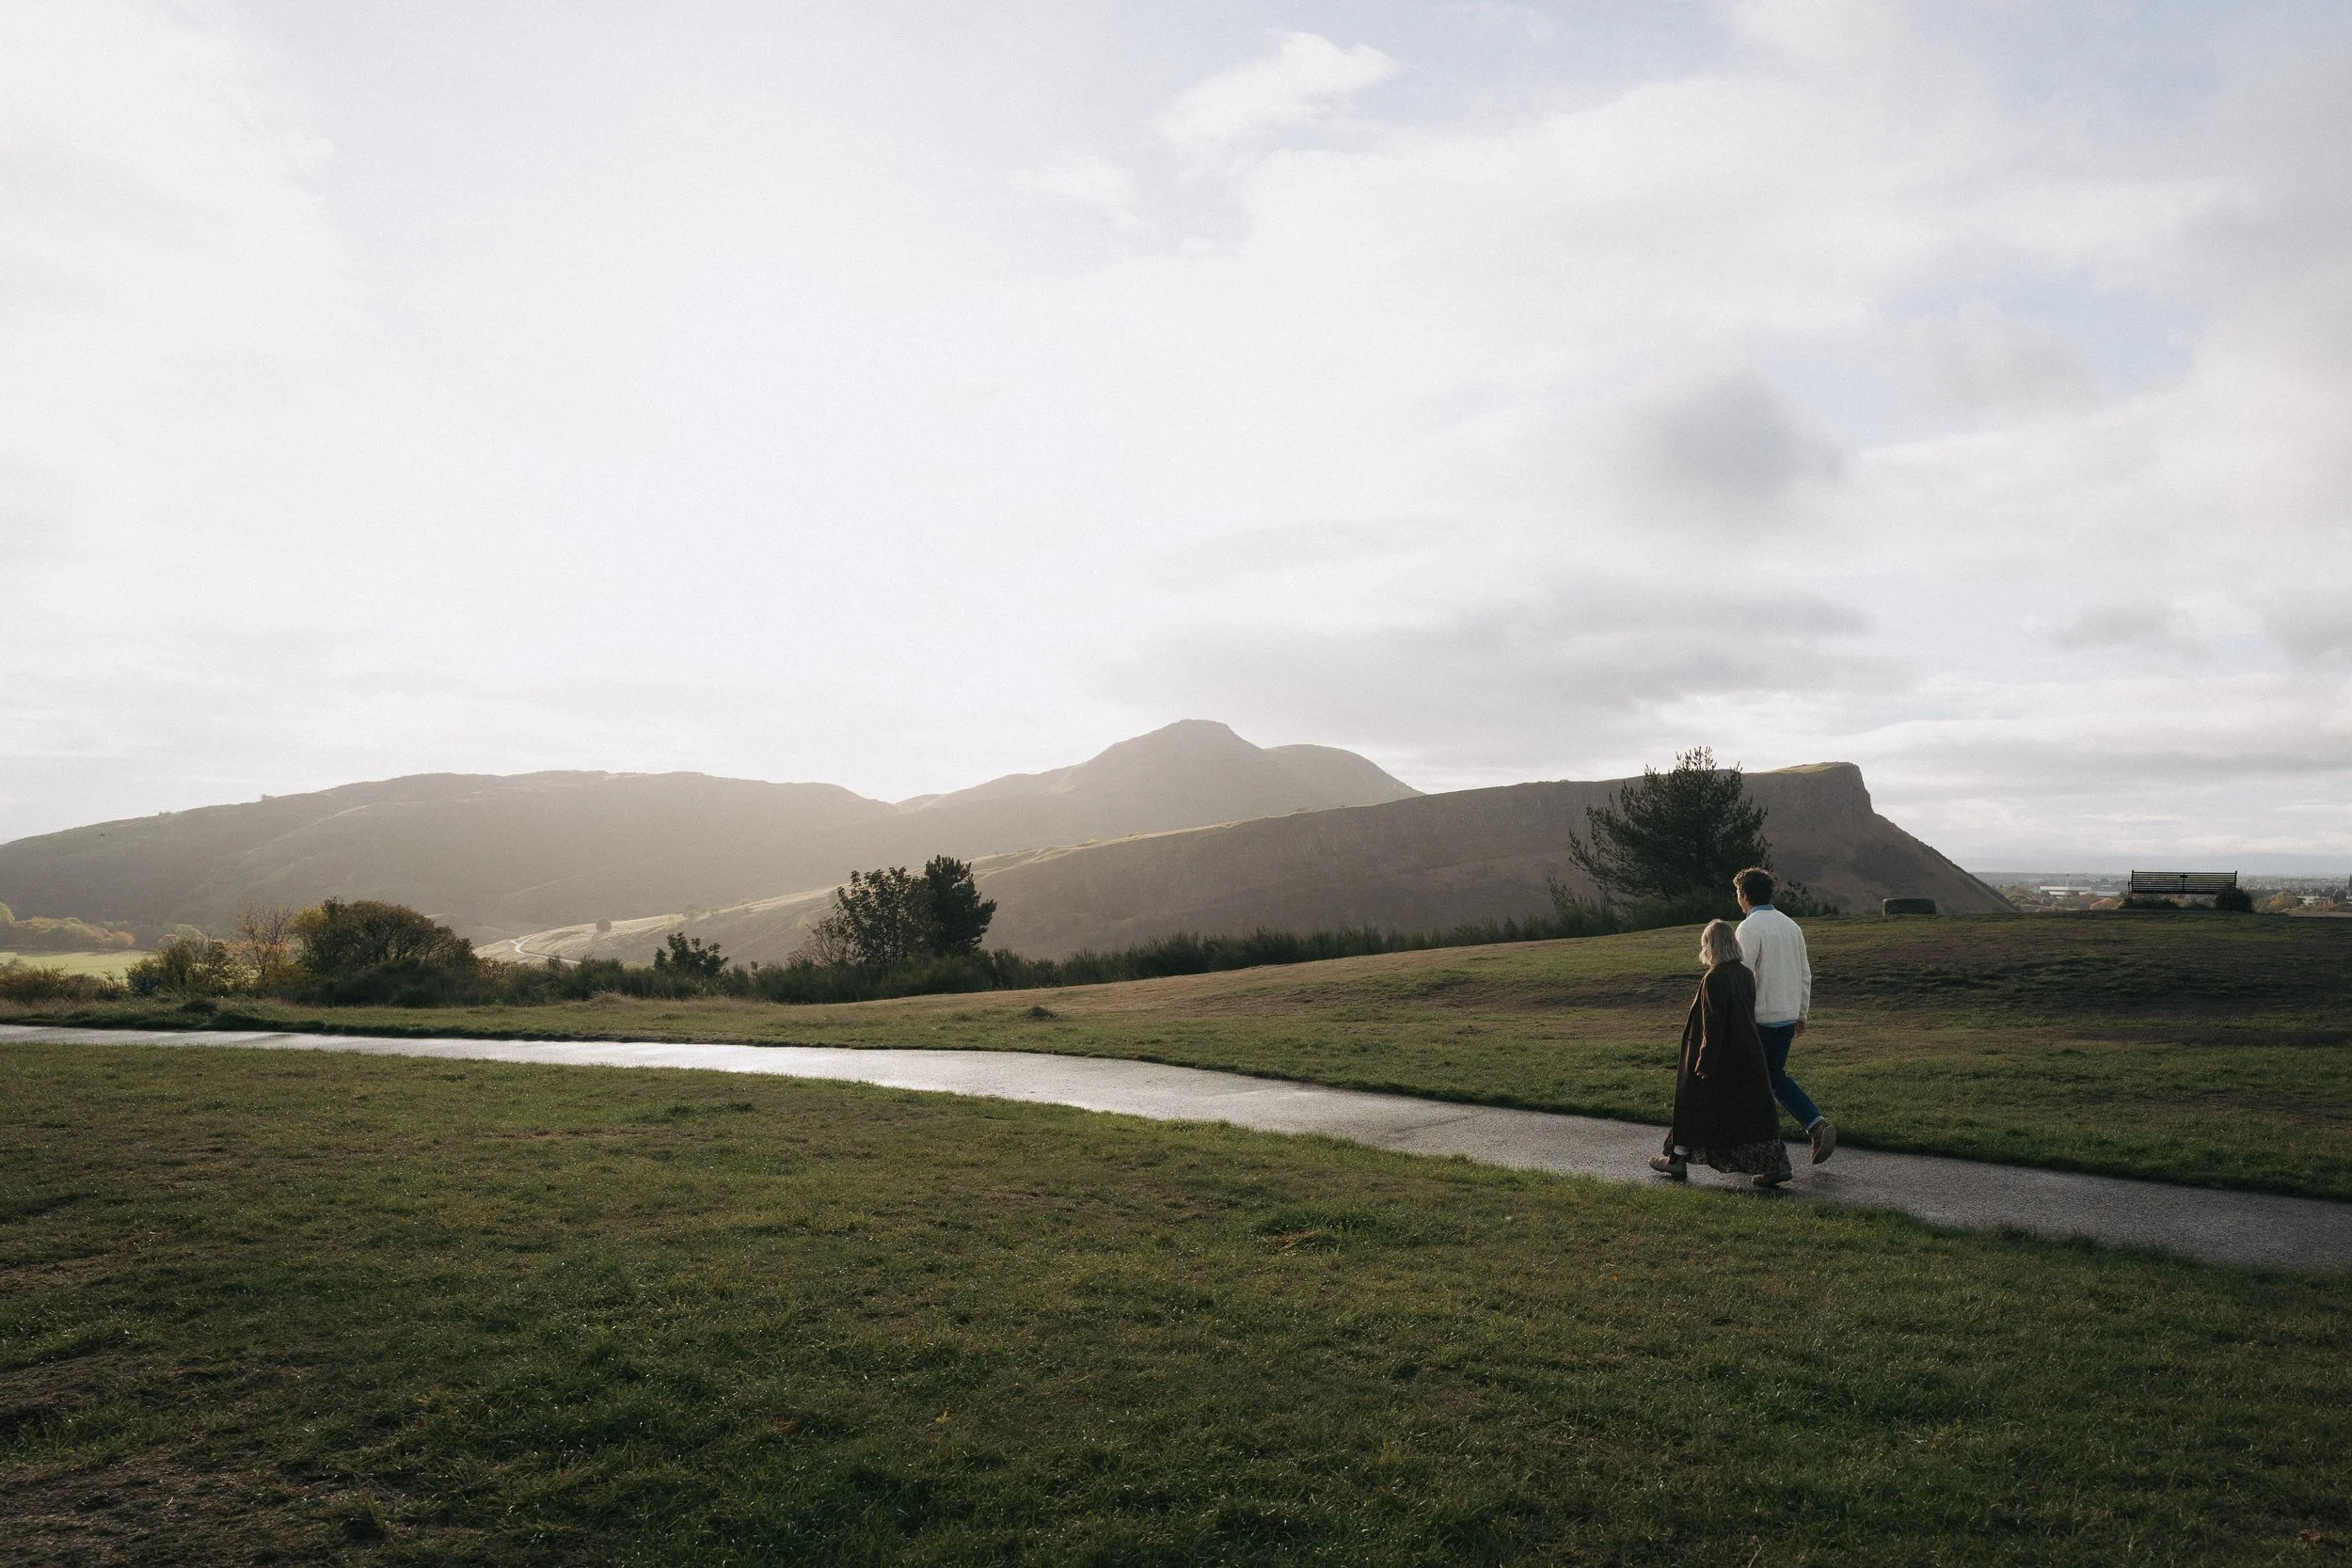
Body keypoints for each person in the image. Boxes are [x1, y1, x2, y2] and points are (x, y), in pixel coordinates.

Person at [1649, 918, 1793, 1188]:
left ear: (1711, 945)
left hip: (1718, 1056)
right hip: (1747, 1053)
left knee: (1692, 1103)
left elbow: (1712, 1024)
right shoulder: (1744, 973)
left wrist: (1705, 1061)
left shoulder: (1714, 978)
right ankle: (1775, 1165)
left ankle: (1677, 1159)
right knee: (1753, 1112)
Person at [1733, 866, 1836, 1164]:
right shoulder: (1791, 926)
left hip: (1759, 1019)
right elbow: (1805, 974)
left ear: (1744, 895)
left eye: (1738, 894)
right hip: (1786, 1016)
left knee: (1751, 1082)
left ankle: (1757, 1148)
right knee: (1774, 1078)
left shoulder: (1748, 929)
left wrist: (1736, 1017)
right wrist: (1801, 1014)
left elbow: (1743, 977)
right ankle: (1815, 1125)